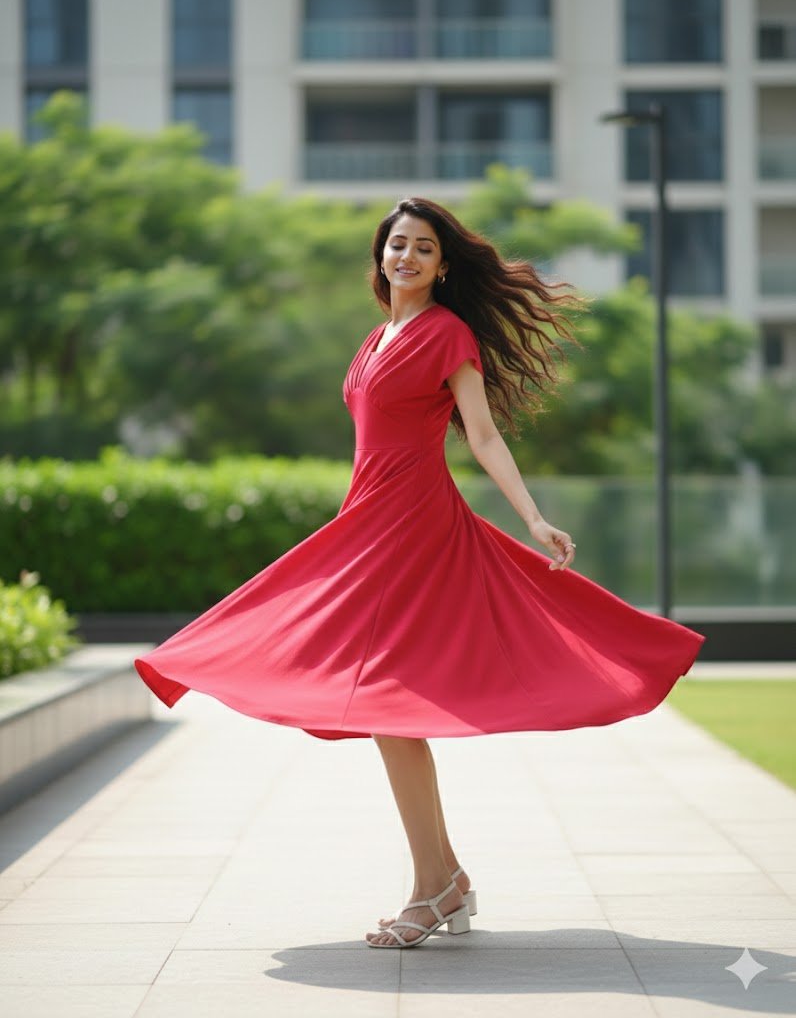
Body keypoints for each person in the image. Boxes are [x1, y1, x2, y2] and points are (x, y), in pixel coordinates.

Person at [134, 196, 705, 951]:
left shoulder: (447, 334)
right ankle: (447, 881)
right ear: (380, 257)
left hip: (414, 529)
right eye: (397, 244)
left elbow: (485, 435)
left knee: (390, 707)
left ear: (442, 266)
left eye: (423, 247)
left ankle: (432, 887)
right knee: (378, 706)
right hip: (369, 526)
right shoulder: (377, 338)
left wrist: (531, 517)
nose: (406, 256)